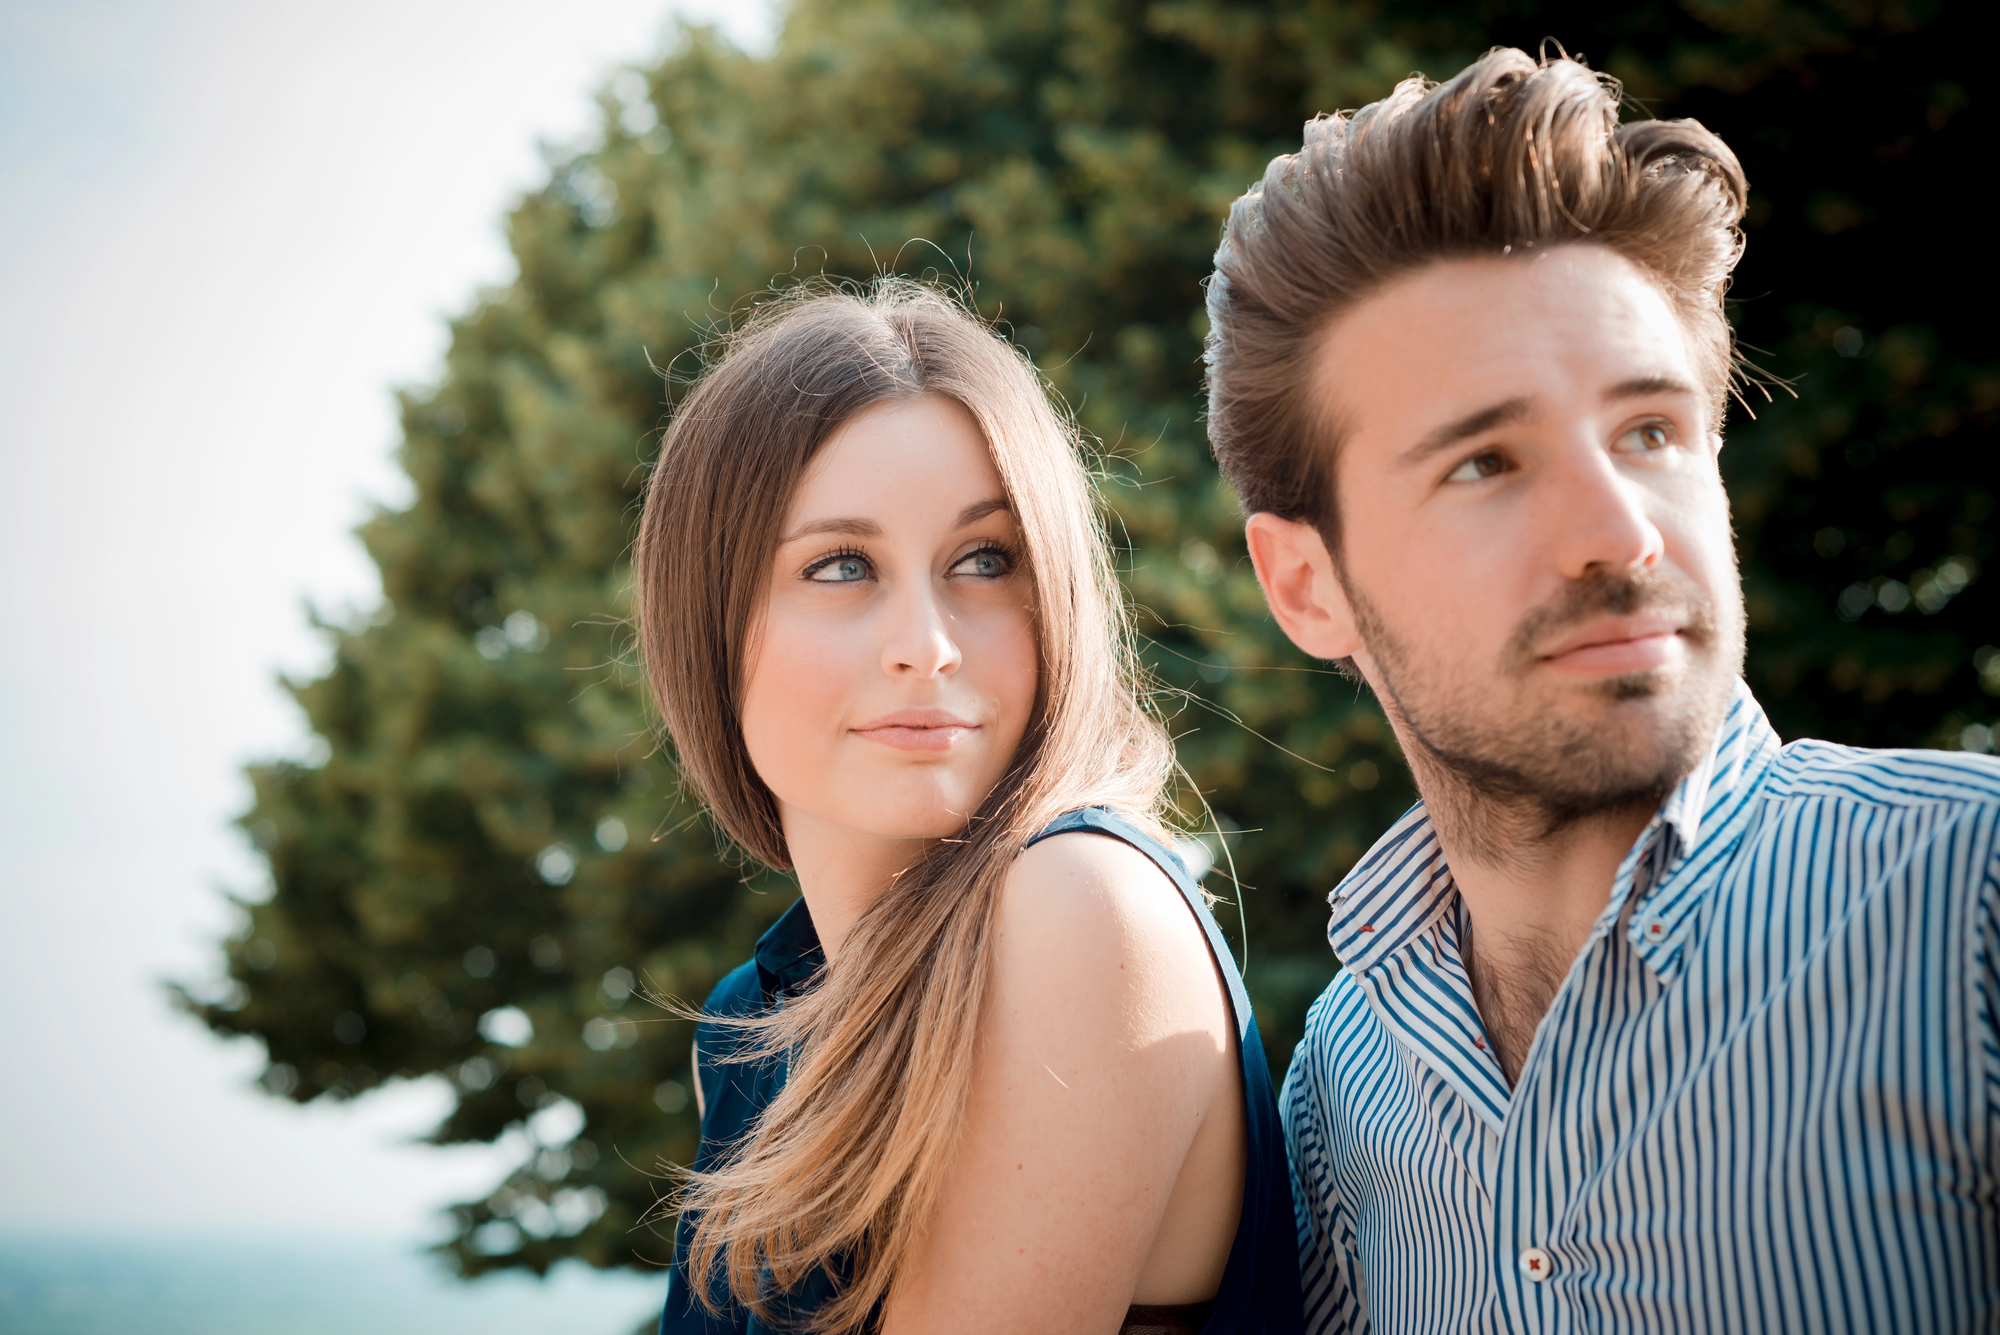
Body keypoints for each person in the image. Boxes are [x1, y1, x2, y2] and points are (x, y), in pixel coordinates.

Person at [1202, 47, 2000, 1334]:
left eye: (1649, 433)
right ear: (1305, 586)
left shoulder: (1972, 901)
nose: (1618, 533)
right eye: (1484, 463)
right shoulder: (1337, 1091)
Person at [634, 280, 1305, 1335]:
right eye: (842, 566)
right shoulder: (752, 1021)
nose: (928, 643)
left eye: (985, 561)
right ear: (705, 623)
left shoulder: (1083, 906)